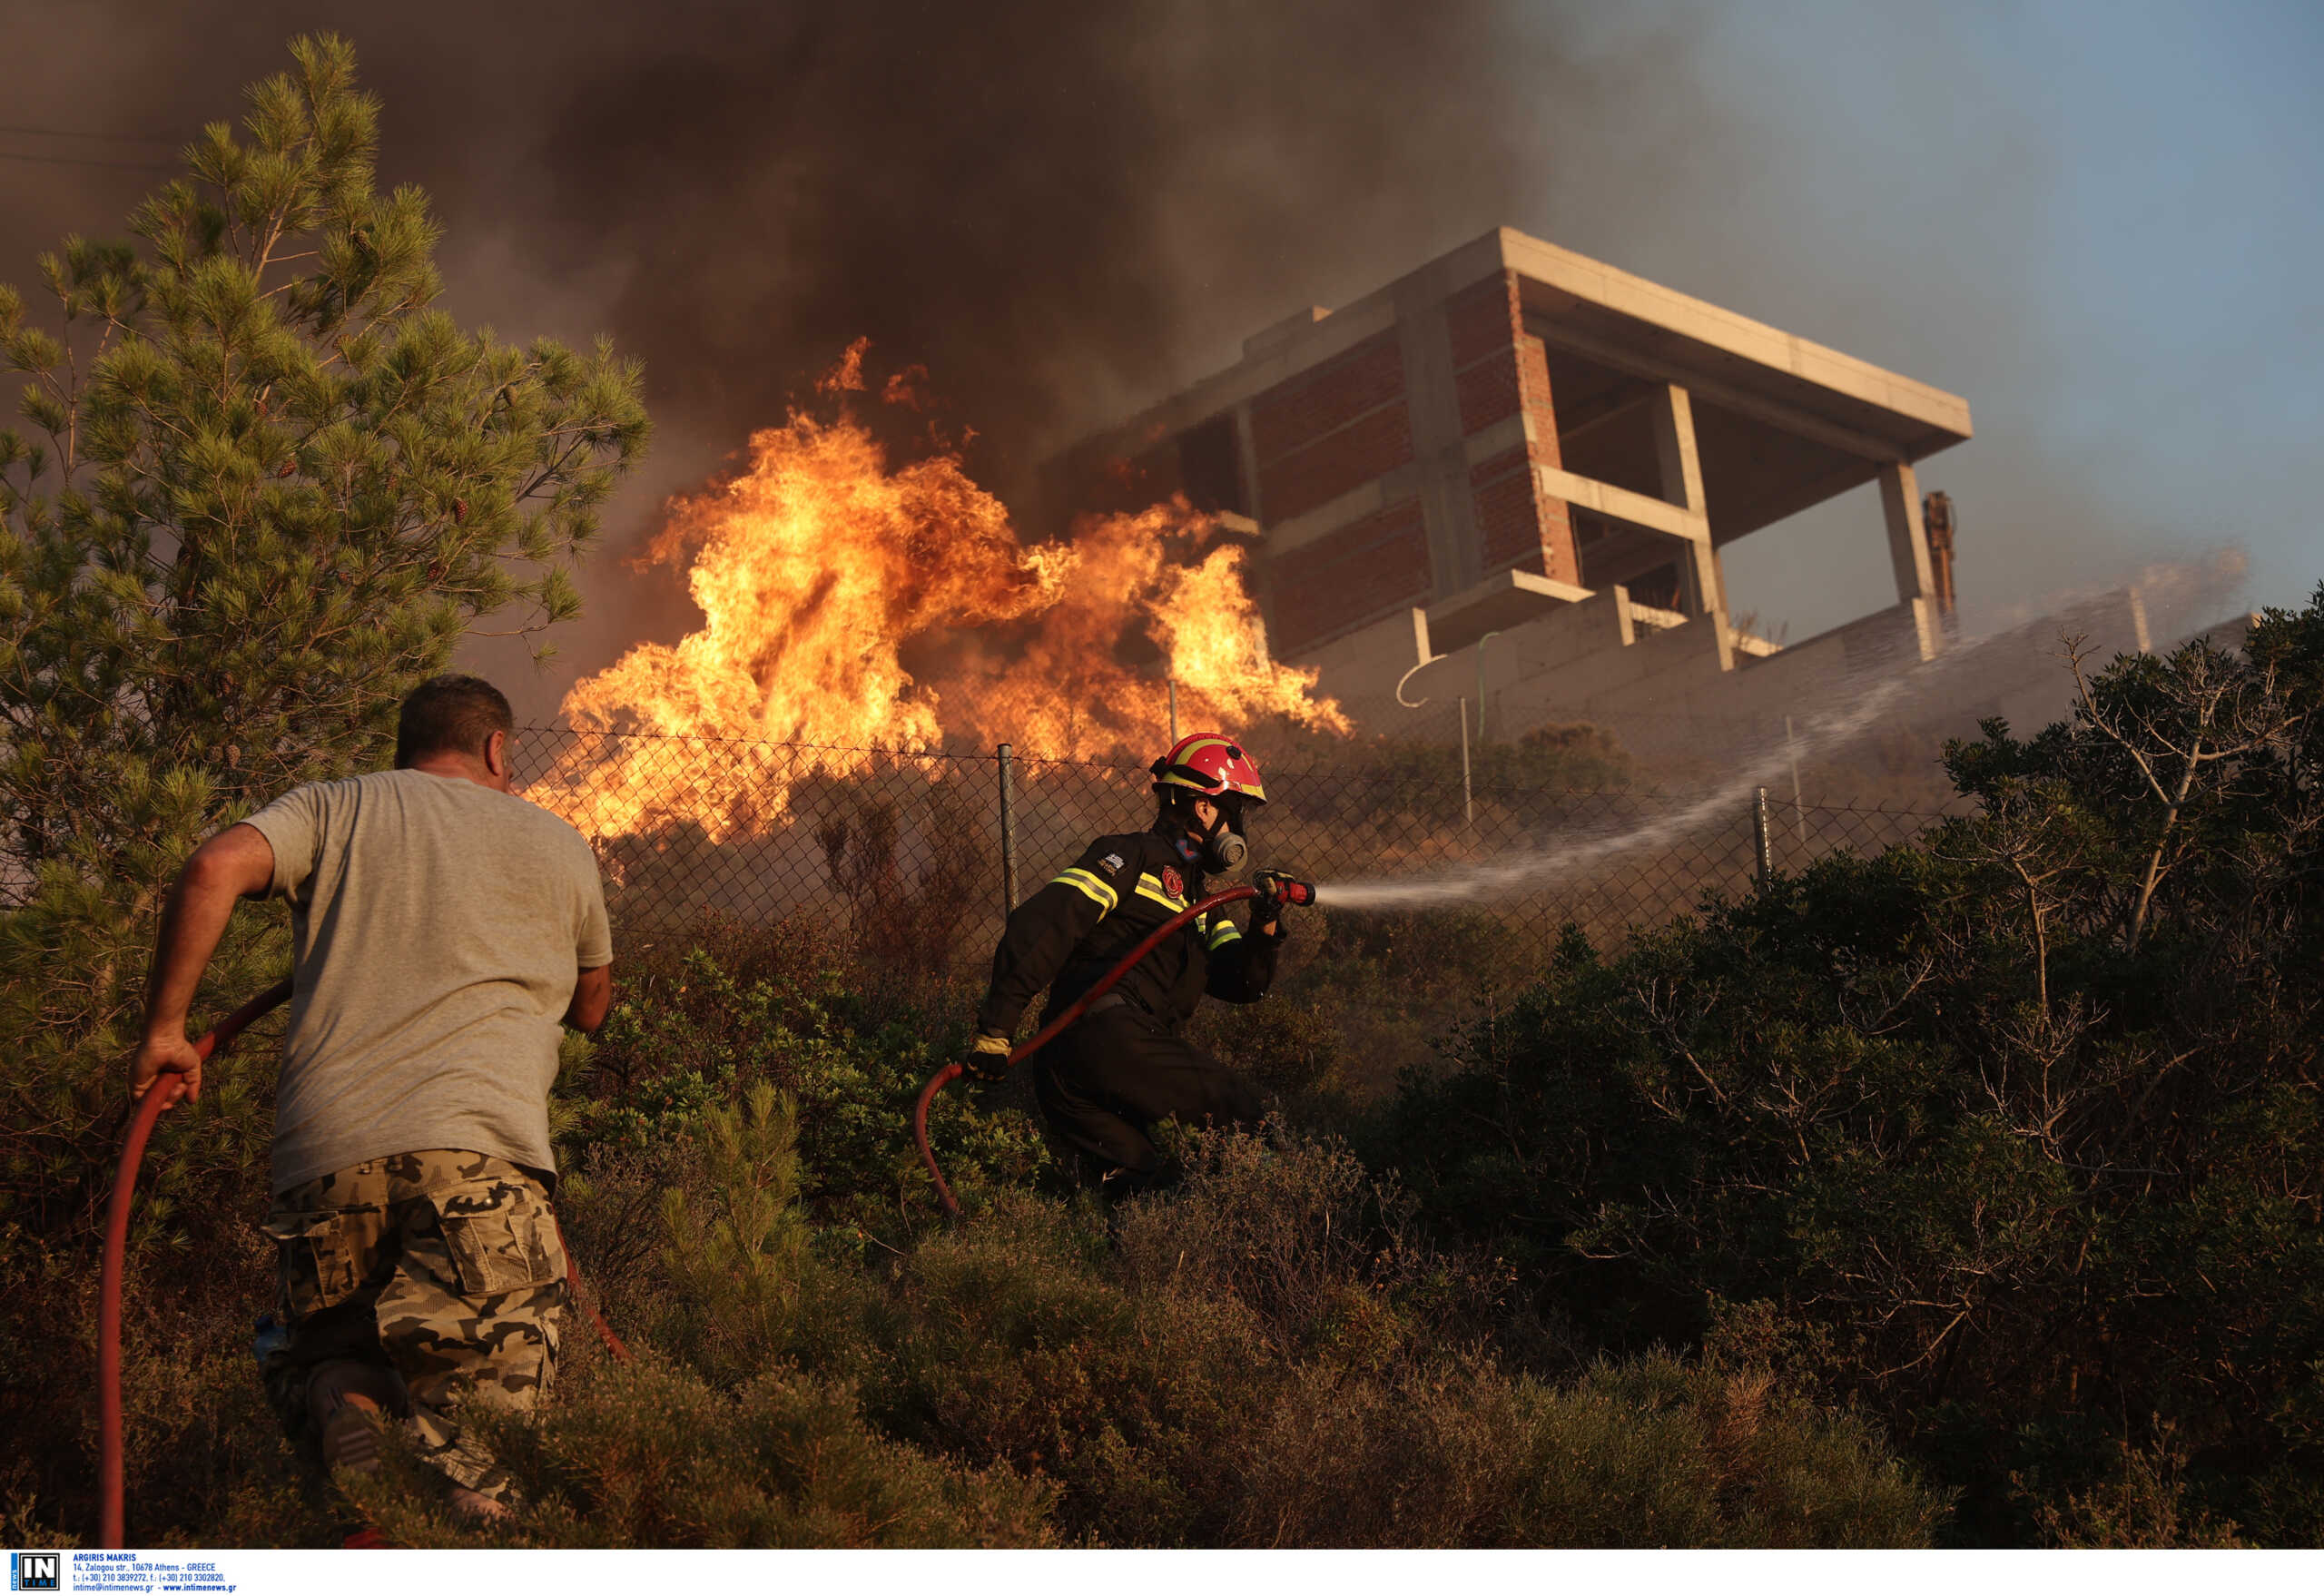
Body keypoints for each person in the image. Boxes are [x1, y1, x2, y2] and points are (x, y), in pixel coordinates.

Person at [129, 675, 613, 1522]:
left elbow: (213, 866)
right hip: (478, 1161)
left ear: (406, 749)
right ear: (498, 749)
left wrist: (167, 1031)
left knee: (342, 1364)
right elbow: (593, 1004)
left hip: (327, 1164)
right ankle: (466, 1508)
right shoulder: (559, 842)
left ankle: (344, 1396)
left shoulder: (337, 807)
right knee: (483, 1451)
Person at [962, 732, 1302, 1189]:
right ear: (1204, 807)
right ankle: (1296, 1217)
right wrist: (996, 1029)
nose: (1240, 829)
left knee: (1139, 1175)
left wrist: (1264, 922)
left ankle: (1115, 1254)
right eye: (1237, 813)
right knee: (1235, 1107)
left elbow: (1242, 984)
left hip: (1072, 1067)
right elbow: (1044, 925)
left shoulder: (1202, 901)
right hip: (1100, 1035)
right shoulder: (1130, 857)